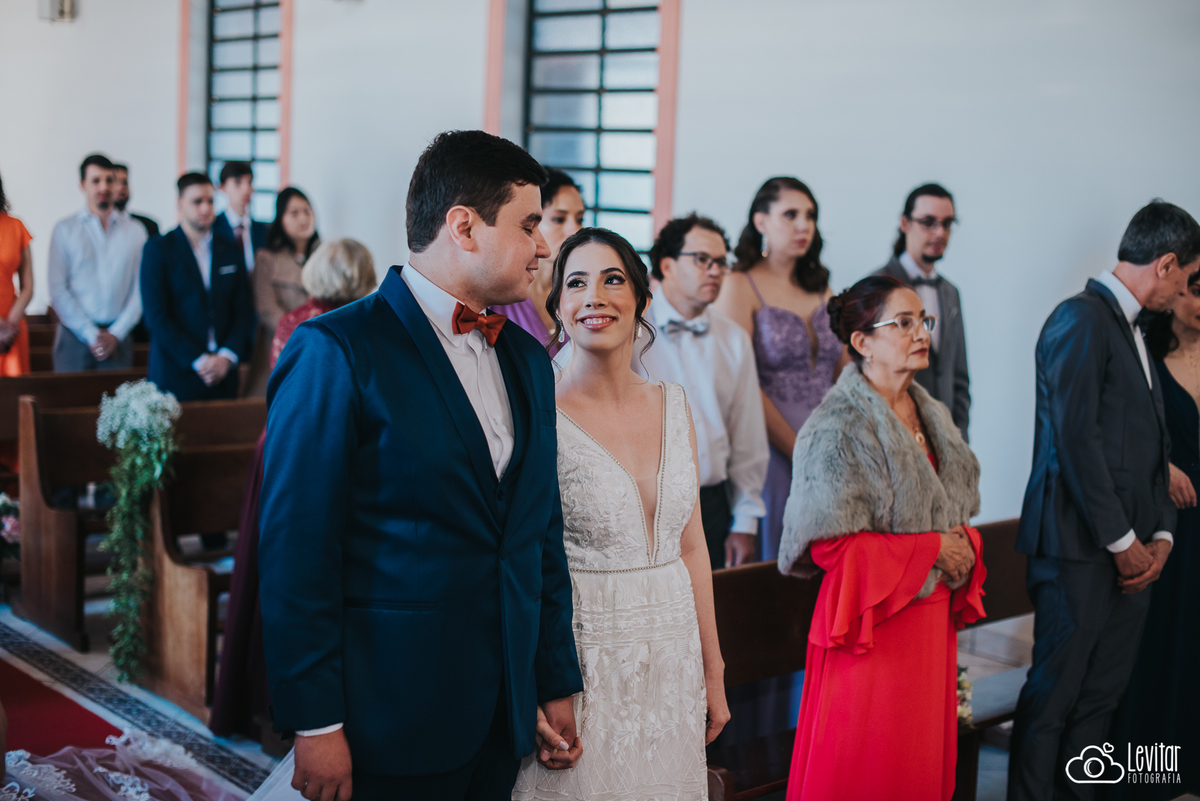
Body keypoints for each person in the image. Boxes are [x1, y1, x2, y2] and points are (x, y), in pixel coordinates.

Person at [257, 130, 584, 801]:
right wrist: (315, 719)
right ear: (463, 226)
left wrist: (552, 678)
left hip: (503, 709)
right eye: (529, 225)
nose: (546, 246)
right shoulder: (339, 350)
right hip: (388, 710)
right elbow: (298, 552)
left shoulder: (526, 360)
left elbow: (537, 534)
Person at [513, 227, 729, 800]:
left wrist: (713, 669)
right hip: (582, 660)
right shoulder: (537, 412)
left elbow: (692, 547)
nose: (594, 297)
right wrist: (534, 684)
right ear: (558, 305)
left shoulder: (675, 404)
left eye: (612, 279)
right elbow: (524, 558)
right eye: (576, 283)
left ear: (641, 296)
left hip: (672, 655)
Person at [1009, 200, 1200, 801]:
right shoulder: (1080, 320)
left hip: (1135, 554)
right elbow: (1075, 442)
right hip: (1079, 551)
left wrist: (1162, 535)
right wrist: (1123, 544)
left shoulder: (1136, 332)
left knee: (1099, 702)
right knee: (1055, 700)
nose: (1186, 291)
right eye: (1189, 278)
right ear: (1166, 264)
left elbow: (1156, 448)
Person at [778, 274, 985, 801]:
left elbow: (950, 510)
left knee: (918, 766)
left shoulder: (931, 411)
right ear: (862, 342)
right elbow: (828, 544)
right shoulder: (835, 425)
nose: (921, 333)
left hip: (928, 621)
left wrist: (959, 541)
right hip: (873, 626)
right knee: (869, 770)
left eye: (924, 321)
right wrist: (935, 548)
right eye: (904, 322)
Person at [209, 238, 376, 744]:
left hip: (289, 446)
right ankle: (280, 699)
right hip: (297, 451)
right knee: (290, 566)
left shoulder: (303, 317)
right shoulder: (326, 325)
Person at [713, 176, 849, 563]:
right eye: (791, 214)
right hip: (771, 447)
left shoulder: (823, 288)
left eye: (810, 216)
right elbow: (743, 383)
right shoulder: (739, 284)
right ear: (761, 222)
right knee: (779, 558)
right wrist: (798, 447)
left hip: (830, 444)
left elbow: (845, 372)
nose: (804, 225)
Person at [1105, 273, 1200, 801]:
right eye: (1196, 287)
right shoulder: (1144, 358)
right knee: (1158, 642)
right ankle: (1146, 775)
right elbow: (1118, 434)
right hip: (1165, 519)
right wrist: (1160, 467)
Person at [639, 213, 768, 570]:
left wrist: (746, 521)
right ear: (666, 265)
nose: (715, 271)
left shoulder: (734, 340)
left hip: (713, 505)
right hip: (645, 506)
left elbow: (748, 437)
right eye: (702, 260)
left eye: (721, 263)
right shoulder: (631, 334)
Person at [139, 172, 254, 402]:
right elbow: (156, 316)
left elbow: (243, 308)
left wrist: (225, 357)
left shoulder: (229, 247)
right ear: (180, 203)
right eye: (197, 201)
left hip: (224, 374)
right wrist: (200, 361)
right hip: (177, 372)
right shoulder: (159, 249)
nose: (205, 208)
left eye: (210, 201)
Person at [874, 183, 970, 439]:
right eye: (928, 222)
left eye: (947, 223)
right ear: (905, 223)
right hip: (896, 438)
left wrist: (960, 437)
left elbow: (959, 377)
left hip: (947, 441)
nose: (940, 232)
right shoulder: (876, 287)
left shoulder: (951, 292)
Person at [47, 153, 147, 371]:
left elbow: (141, 289)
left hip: (118, 336)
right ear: (83, 185)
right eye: (96, 180)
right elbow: (57, 289)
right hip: (75, 335)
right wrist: (91, 334)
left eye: (109, 180)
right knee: (69, 403)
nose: (104, 187)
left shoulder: (136, 231)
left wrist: (116, 333)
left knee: (118, 404)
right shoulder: (65, 229)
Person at [492, 167, 584, 358]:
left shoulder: (582, 293)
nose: (575, 230)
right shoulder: (498, 299)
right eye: (558, 219)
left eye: (579, 219)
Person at [244, 187, 319, 396]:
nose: (303, 218)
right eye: (294, 213)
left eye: (307, 211)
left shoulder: (324, 256)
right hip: (282, 350)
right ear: (280, 219)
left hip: (320, 352)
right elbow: (267, 310)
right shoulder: (267, 258)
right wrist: (305, 337)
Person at [0, 170, 34, 377]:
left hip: (11, 326)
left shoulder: (16, 226)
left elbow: (28, 286)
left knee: (14, 397)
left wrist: (9, 324)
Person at [213, 161, 267, 274]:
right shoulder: (213, 227)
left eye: (249, 182)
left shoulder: (262, 230)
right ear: (222, 187)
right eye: (238, 183)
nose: (246, 189)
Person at [111, 163, 160, 238]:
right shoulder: (96, 227)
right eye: (115, 182)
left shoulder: (148, 226)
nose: (121, 187)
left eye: (124, 182)